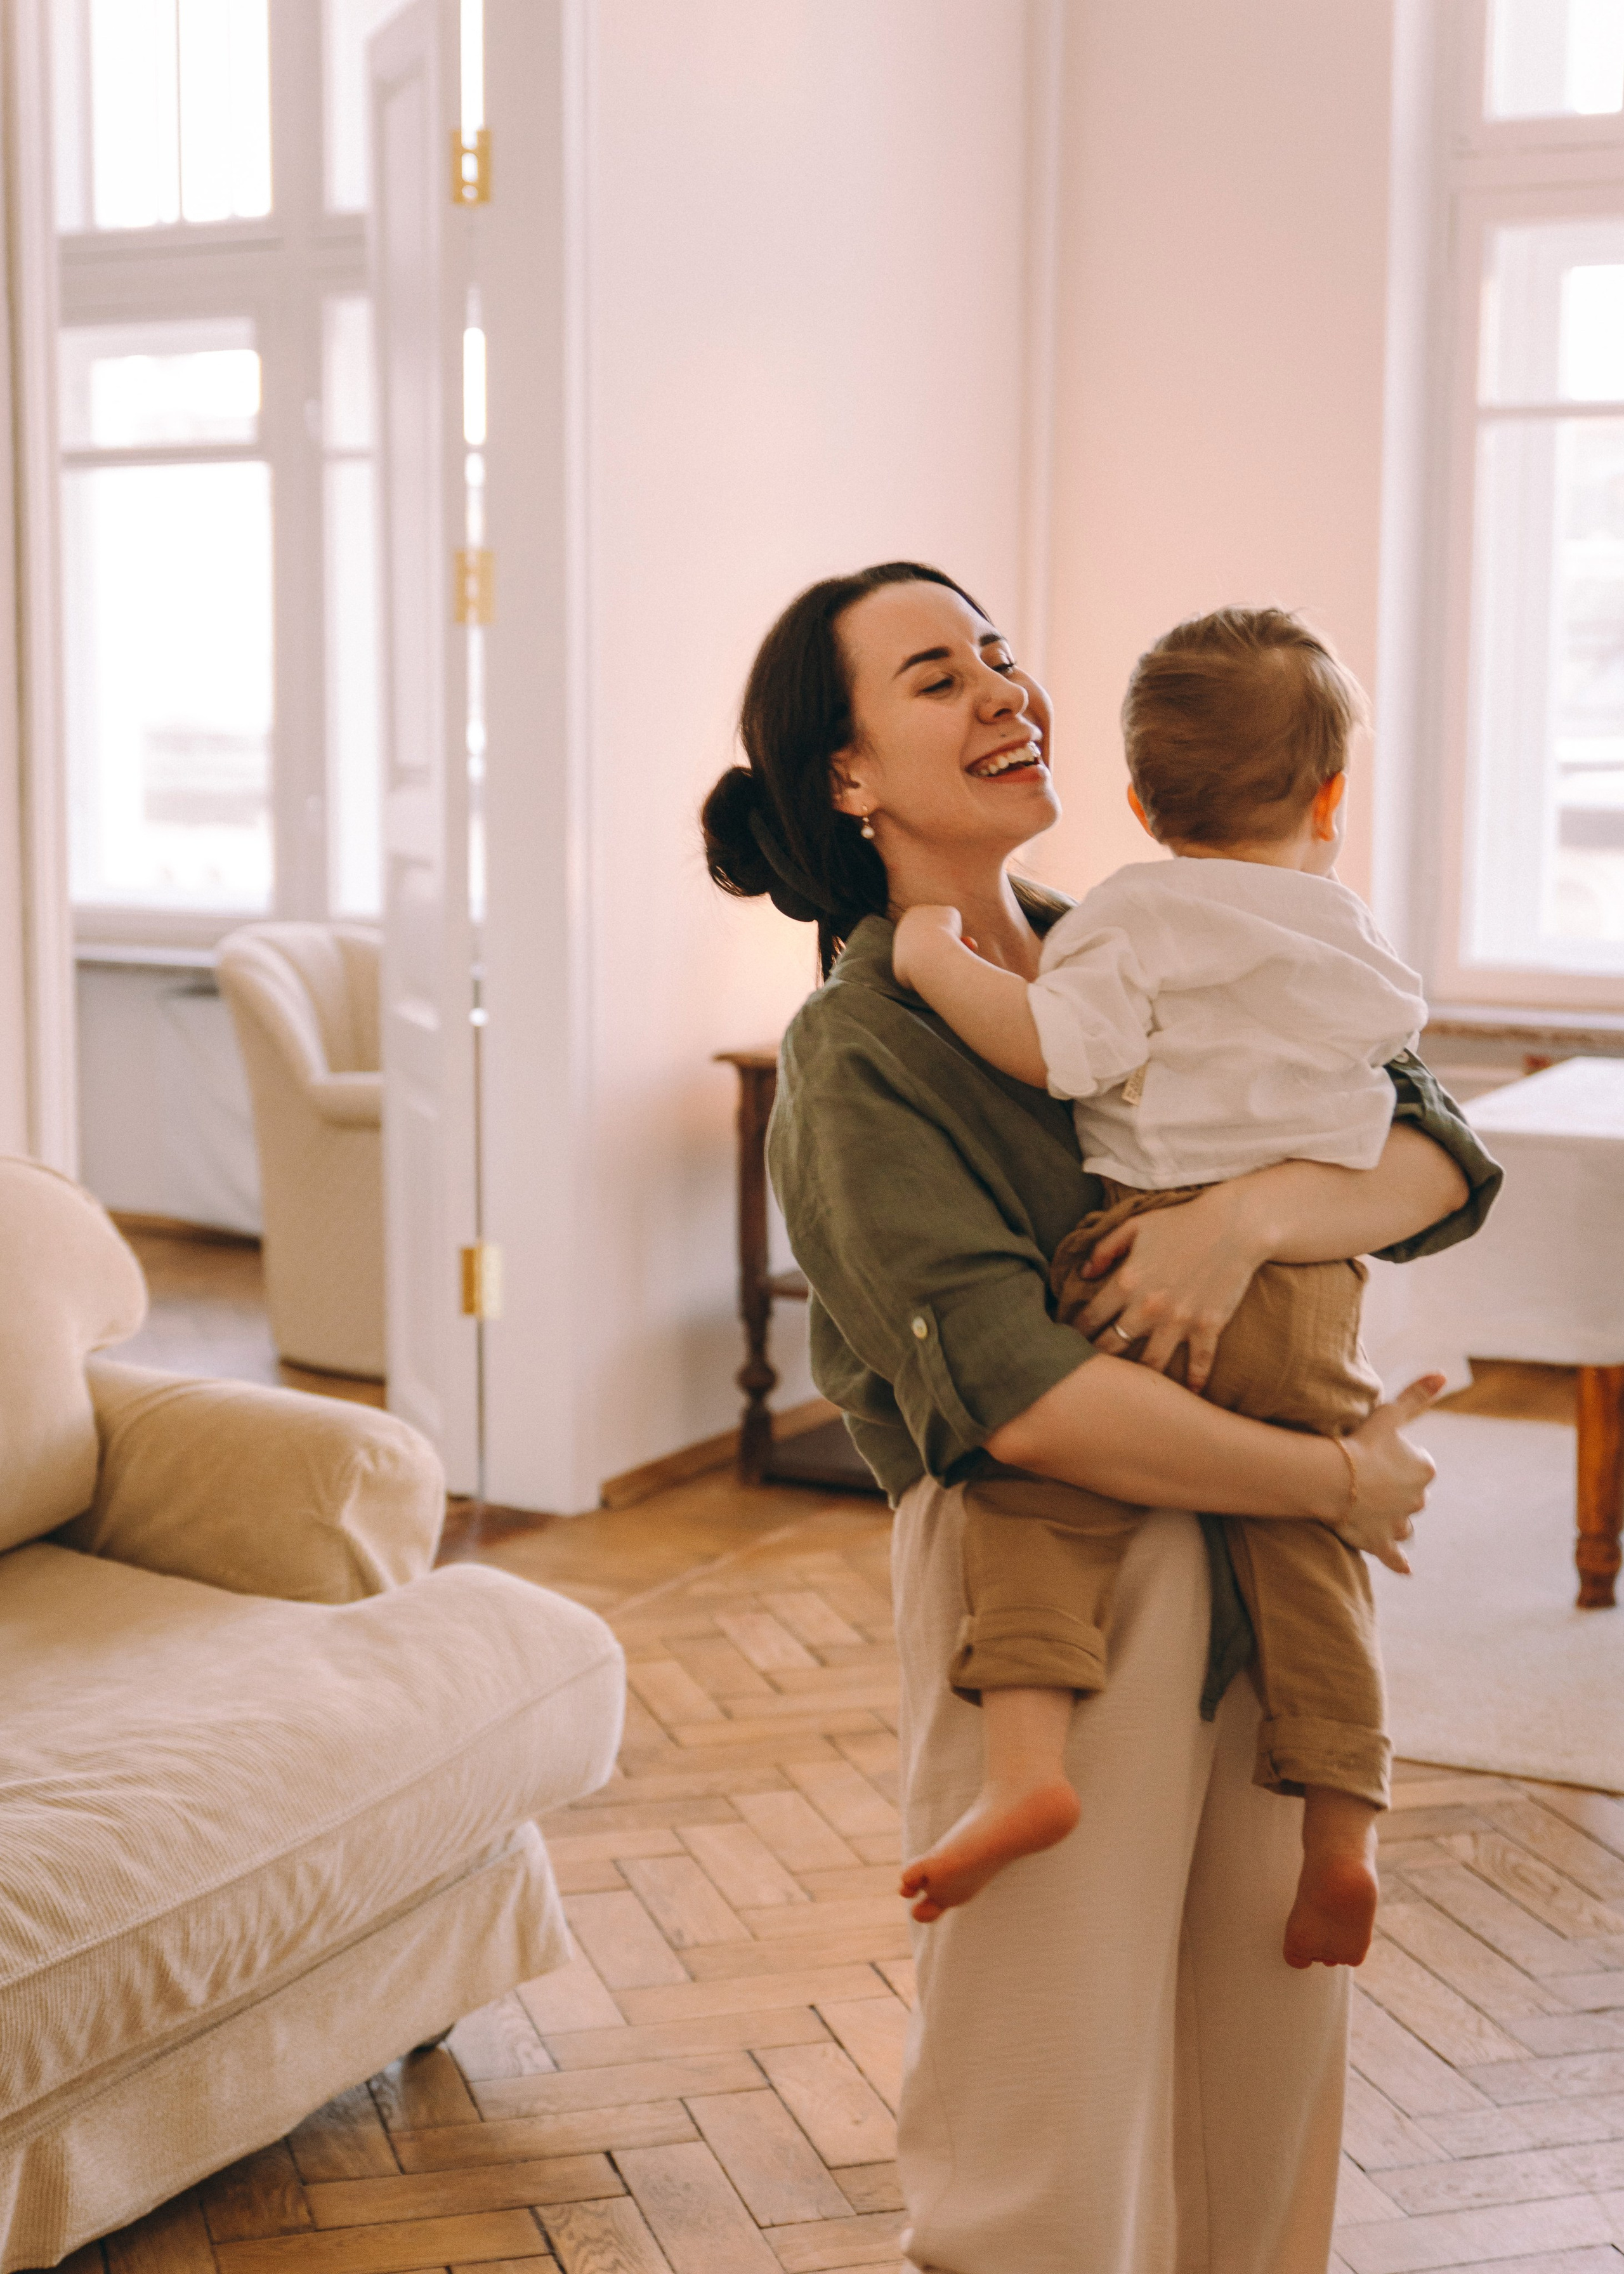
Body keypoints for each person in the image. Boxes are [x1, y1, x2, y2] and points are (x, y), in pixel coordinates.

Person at [701, 562, 1500, 2273]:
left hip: (1259, 1590)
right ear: (850, 778)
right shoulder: (859, 1060)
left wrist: (1244, 1222)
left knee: (1266, 2080)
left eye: (998, 652)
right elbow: (1030, 1405)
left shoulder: (1147, 934)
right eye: (936, 675)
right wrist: (1340, 1474)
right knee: (1041, 2120)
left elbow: (1437, 1151)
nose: (1004, 688)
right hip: (1053, 1612)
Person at [889, 605, 1430, 1974]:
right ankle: (1340, 1837)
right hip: (1308, 1289)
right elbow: (1402, 1108)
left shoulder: (1126, 919)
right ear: (1331, 797)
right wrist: (1270, 1204)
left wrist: (931, 962)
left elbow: (1059, 1050)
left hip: (1135, 1266)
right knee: (1313, 1553)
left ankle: (1023, 1763)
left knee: (1030, 1499)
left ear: (1136, 799)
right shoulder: (1355, 941)